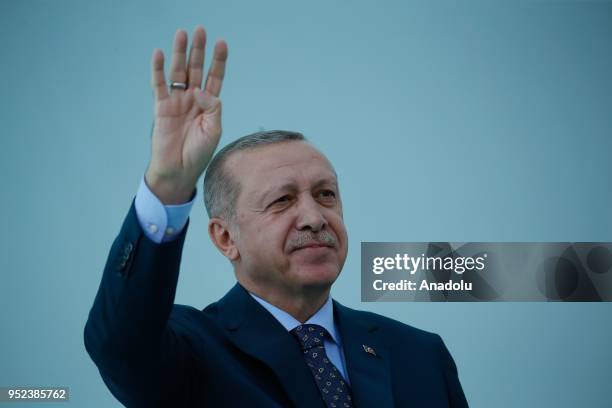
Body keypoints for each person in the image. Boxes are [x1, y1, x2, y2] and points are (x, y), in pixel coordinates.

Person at [84, 24, 469, 408]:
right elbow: (120, 344)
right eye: (282, 200)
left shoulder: (420, 354)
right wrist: (168, 183)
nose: (314, 217)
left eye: (326, 195)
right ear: (225, 238)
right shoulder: (192, 348)